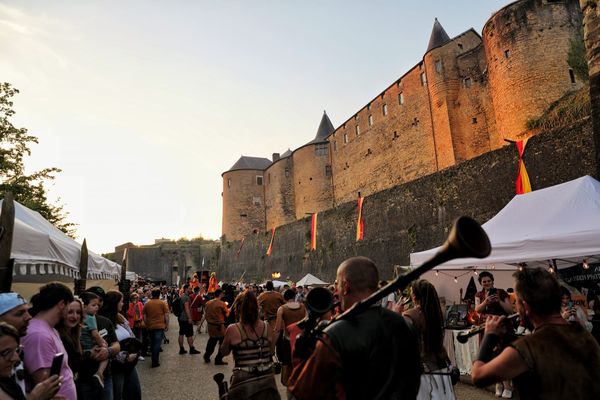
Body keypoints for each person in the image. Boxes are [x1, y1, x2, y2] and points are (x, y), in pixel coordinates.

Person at [288, 256, 421, 400]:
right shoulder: (404, 324)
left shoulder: (335, 334)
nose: (336, 293)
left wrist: (301, 355)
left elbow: (303, 392)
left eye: (337, 284)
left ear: (346, 286)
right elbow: (414, 378)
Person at [471, 267, 600, 399]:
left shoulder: (526, 347)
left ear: (526, 307)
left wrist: (489, 336)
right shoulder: (586, 337)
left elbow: (478, 376)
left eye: (518, 302)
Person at [219, 290, 280, 400]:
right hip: (267, 382)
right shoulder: (267, 327)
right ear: (257, 308)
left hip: (243, 382)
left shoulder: (233, 329)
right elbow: (271, 352)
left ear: (238, 309)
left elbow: (224, 352)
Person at [22, 282, 77, 400]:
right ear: (62, 304)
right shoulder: (39, 335)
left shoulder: (50, 329)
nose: (69, 310)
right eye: (69, 306)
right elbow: (44, 384)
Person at [403, 280, 456, 400]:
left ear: (414, 296)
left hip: (423, 369)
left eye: (411, 292)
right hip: (442, 365)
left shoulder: (410, 315)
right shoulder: (438, 313)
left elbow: (402, 343)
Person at [474, 271, 514, 398]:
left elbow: (510, 310)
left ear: (493, 281)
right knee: (491, 357)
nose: (486, 283)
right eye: (484, 281)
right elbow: (477, 310)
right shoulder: (479, 294)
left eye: (488, 280)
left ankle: (508, 385)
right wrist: (486, 301)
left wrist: (499, 301)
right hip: (486, 327)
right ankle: (498, 384)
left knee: (503, 356)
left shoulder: (501, 292)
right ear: (481, 283)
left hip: (502, 328)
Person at [0, 322, 62, 400]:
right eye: (6, 353)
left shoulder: (8, 383)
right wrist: (35, 397)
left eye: (16, 350)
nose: (16, 358)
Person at [57, 298, 102, 400]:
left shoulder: (75, 334)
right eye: (70, 312)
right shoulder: (57, 336)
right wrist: (89, 353)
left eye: (78, 312)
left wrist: (90, 353)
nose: (75, 316)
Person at [100, 291, 141, 400]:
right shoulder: (104, 322)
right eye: (121, 301)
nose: (123, 304)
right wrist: (125, 357)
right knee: (118, 394)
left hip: (130, 363)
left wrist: (135, 352)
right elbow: (106, 345)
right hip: (117, 366)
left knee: (134, 392)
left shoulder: (120, 317)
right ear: (114, 303)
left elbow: (131, 336)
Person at [85, 286, 121, 400]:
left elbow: (116, 344)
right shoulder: (76, 321)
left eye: (100, 300)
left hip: (105, 377)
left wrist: (108, 351)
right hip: (84, 377)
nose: (98, 304)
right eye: (95, 301)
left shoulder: (105, 321)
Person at [274, 289, 306, 386]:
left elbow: (278, 328)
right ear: (294, 296)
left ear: (285, 298)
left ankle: (289, 386)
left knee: (287, 364)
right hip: (301, 340)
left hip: (287, 341)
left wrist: (272, 345)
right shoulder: (303, 306)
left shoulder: (282, 309)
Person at [79, 292, 108, 388]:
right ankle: (99, 373)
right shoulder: (91, 318)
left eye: (98, 305)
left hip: (82, 346)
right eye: (93, 305)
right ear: (85, 306)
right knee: (106, 354)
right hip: (90, 345)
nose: (97, 307)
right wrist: (103, 344)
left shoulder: (81, 317)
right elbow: (95, 334)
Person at [142, 288, 170, 368]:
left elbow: (144, 315)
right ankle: (155, 361)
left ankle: (154, 360)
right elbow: (166, 315)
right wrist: (167, 325)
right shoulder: (162, 303)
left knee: (153, 343)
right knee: (157, 344)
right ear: (159, 294)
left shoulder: (147, 304)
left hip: (150, 326)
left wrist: (147, 323)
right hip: (160, 326)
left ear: (152, 294)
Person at [204, 289, 229, 365]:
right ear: (220, 294)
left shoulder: (208, 303)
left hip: (210, 326)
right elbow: (227, 314)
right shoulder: (221, 304)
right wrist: (229, 310)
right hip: (219, 326)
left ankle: (207, 356)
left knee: (212, 341)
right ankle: (218, 359)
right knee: (223, 343)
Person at [177, 284, 200, 355]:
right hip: (185, 319)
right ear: (186, 289)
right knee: (189, 334)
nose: (191, 290)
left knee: (181, 333)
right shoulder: (186, 298)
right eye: (190, 289)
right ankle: (191, 349)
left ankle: (181, 349)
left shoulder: (182, 296)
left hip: (181, 318)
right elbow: (187, 308)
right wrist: (189, 318)